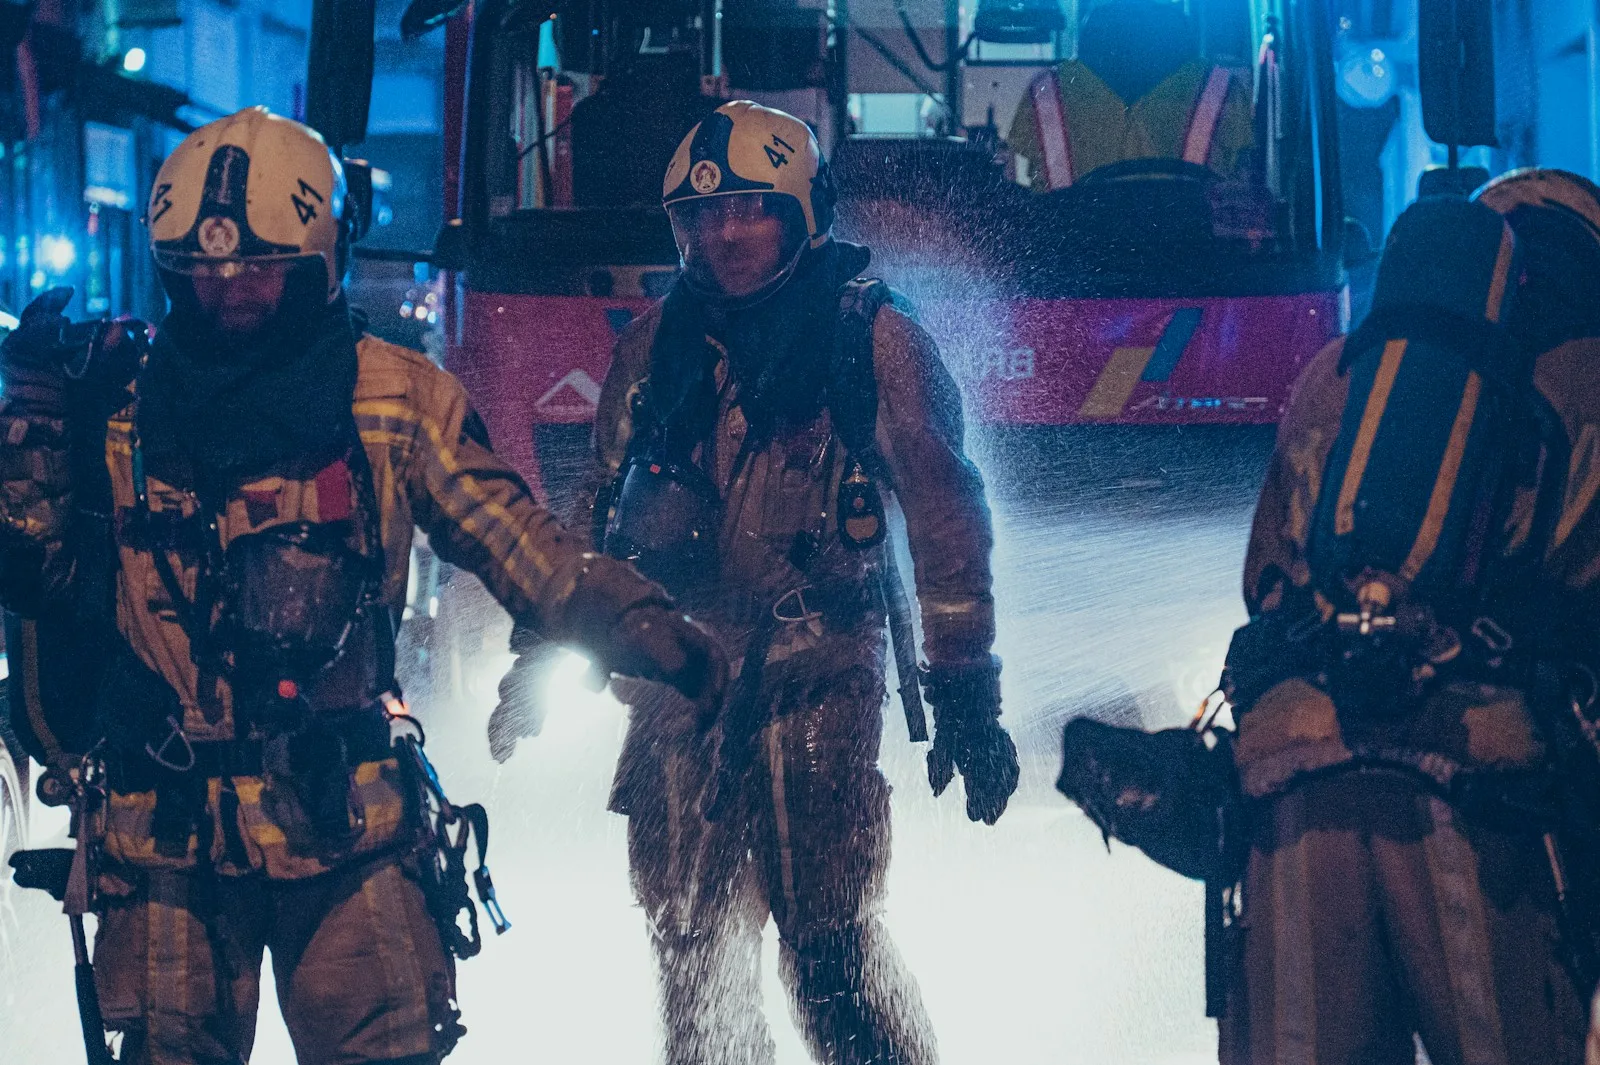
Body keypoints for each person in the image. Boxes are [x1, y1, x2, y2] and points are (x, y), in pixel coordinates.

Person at [0, 106, 722, 1065]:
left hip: (343, 829)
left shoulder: (393, 398)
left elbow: (527, 552)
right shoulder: (118, 404)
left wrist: (659, 637)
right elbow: (38, 567)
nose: (229, 295)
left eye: (258, 269)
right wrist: (29, 436)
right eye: (204, 272)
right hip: (164, 844)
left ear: (322, 261)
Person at [515, 99, 1018, 1064]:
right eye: (703, 216)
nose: (725, 233)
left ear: (801, 213)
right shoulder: (652, 348)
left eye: (750, 208)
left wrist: (965, 684)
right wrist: (543, 644)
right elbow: (597, 507)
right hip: (673, 679)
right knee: (691, 951)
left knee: (831, 945)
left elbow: (946, 514)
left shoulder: (871, 339)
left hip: (817, 665)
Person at [1218, 171, 1600, 1065]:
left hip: (1292, 764)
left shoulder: (1337, 371)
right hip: (1476, 783)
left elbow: (1262, 583)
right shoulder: (1590, 380)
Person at [1006, 0, 1252, 191]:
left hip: (1072, 253)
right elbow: (1244, 192)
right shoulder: (1221, 89)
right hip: (1193, 254)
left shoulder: (1046, 92)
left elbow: (1026, 196)